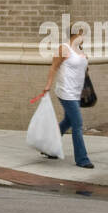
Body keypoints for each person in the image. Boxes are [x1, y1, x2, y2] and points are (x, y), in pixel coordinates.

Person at [35, 25, 94, 168]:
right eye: (83, 34)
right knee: (78, 124)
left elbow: (82, 71)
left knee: (68, 121)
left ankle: (48, 148)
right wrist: (48, 85)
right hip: (65, 92)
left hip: (77, 92)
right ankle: (82, 159)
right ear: (77, 34)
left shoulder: (79, 50)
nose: (84, 37)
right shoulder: (64, 48)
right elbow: (54, 67)